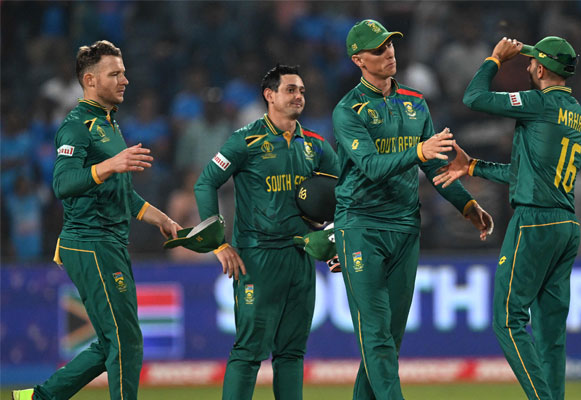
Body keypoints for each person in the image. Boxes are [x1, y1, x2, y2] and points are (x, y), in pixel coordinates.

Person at [332, 20, 493, 400]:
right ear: (358, 59)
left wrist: (467, 205)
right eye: (377, 49)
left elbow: (437, 167)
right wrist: (419, 152)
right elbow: (371, 167)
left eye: (390, 45)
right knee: (376, 335)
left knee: (388, 340)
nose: (388, 53)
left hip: (405, 227)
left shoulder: (415, 102)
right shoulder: (348, 111)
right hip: (361, 226)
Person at [12, 40, 182, 400]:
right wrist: (109, 165)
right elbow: (62, 184)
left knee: (111, 342)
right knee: (127, 340)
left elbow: (122, 193)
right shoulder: (76, 126)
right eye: (115, 74)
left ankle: (38, 398)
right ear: (90, 80)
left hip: (109, 244)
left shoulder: (109, 125)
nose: (125, 80)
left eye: (123, 72)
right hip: (88, 243)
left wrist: (161, 218)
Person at [434, 36, 581, 400]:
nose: (529, 64)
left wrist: (494, 59)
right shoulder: (578, 115)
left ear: (541, 68)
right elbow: (526, 173)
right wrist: (472, 166)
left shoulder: (538, 102)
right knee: (551, 332)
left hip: (535, 222)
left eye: (533, 61)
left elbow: (473, 97)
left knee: (507, 318)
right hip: (566, 225)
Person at [193, 64, 339, 400]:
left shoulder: (314, 144)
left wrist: (335, 238)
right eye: (290, 90)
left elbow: (347, 192)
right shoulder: (245, 140)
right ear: (269, 95)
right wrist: (218, 244)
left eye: (301, 90)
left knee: (291, 352)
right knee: (248, 351)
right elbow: (205, 183)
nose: (298, 96)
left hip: (301, 256)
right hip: (257, 259)